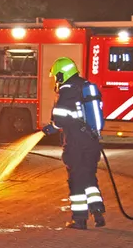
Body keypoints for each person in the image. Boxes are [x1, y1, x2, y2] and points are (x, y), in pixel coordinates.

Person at [42, 57, 106, 229]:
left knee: (76, 180)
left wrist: (52, 127)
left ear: (62, 75)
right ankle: (98, 211)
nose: (56, 80)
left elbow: (61, 117)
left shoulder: (67, 90)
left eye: (57, 76)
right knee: (89, 177)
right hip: (92, 142)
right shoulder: (85, 86)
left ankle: (79, 219)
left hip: (77, 144)